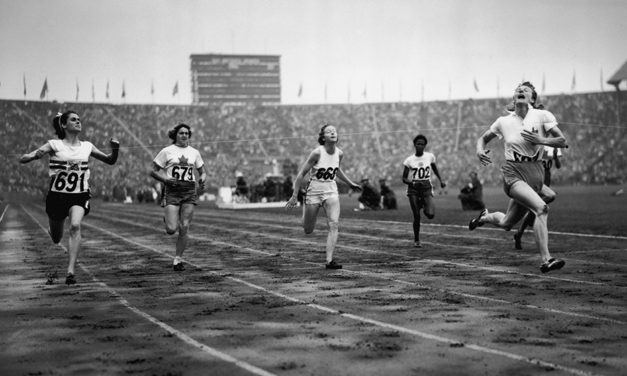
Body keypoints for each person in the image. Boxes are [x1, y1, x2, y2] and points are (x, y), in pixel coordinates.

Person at [469, 81, 568, 273]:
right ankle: (546, 259)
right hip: (514, 173)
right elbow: (482, 139)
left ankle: (485, 217)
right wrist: (479, 151)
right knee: (541, 208)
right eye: (518, 90)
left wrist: (541, 140)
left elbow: (562, 141)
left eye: (526, 90)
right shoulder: (503, 121)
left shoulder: (542, 115)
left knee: (506, 223)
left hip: (536, 174)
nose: (521, 91)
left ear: (532, 98)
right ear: (514, 98)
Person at [19, 110, 119, 285]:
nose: (78, 121)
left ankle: (70, 271)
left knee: (75, 225)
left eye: (79, 119)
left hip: (79, 195)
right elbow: (23, 158)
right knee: (57, 238)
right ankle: (54, 230)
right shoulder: (54, 145)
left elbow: (110, 160)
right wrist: (35, 155)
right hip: (57, 197)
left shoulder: (87, 146)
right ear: (64, 125)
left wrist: (115, 150)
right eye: (73, 120)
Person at [286, 123, 361, 269]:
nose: (333, 132)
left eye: (334, 131)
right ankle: (304, 208)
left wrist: (350, 183)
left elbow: (337, 169)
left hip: (331, 192)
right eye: (329, 131)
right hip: (313, 193)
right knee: (308, 230)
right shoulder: (317, 153)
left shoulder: (340, 153)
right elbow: (301, 174)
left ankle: (329, 260)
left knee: (334, 224)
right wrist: (295, 195)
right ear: (323, 137)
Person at [150, 123, 206, 271]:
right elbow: (153, 171)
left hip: (189, 191)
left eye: (187, 133)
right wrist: (165, 180)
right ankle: (168, 219)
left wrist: (202, 179)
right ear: (175, 135)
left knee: (185, 226)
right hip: (172, 190)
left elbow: (202, 171)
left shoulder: (194, 152)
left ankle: (178, 259)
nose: (184, 135)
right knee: (171, 229)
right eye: (181, 133)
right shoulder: (167, 151)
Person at [402, 134, 446, 248]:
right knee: (416, 216)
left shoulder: (430, 156)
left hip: (426, 187)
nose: (420, 146)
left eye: (422, 144)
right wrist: (413, 183)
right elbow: (404, 178)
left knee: (430, 215)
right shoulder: (409, 160)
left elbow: (435, 168)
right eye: (418, 144)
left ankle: (422, 204)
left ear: (425, 145)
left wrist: (441, 180)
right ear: (414, 145)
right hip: (414, 189)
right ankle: (416, 239)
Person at [513, 146, 561, 249]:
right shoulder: (534, 145)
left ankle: (519, 234)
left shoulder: (552, 146)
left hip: (546, 182)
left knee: (535, 209)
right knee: (538, 208)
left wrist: (556, 156)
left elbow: (558, 165)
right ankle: (521, 234)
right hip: (535, 180)